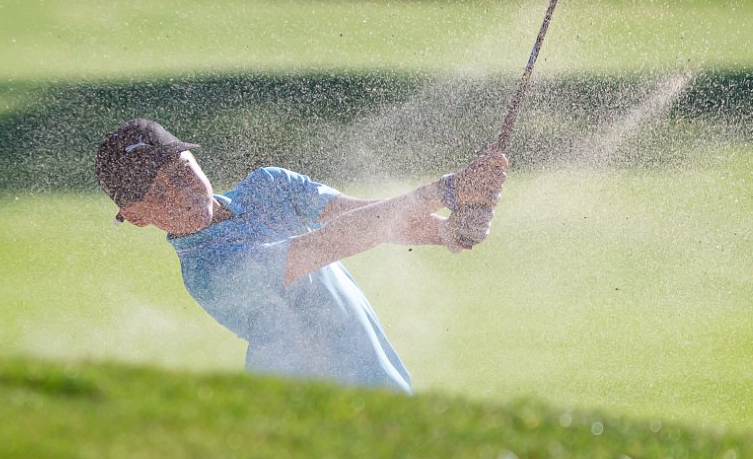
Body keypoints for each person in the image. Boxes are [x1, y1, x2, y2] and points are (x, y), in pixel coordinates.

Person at [95, 118, 506, 393]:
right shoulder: (208, 269)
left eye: (182, 172)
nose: (182, 194)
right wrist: (443, 191)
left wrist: (449, 230)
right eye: (159, 194)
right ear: (136, 217)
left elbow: (362, 215)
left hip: (379, 389)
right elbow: (327, 243)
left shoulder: (268, 185)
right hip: (307, 413)